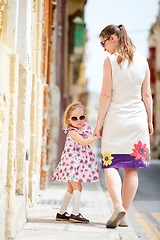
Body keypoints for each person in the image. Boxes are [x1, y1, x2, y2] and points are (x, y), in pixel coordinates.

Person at [94, 24, 153, 228]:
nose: (103, 48)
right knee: (132, 169)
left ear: (112, 38)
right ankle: (124, 215)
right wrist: (150, 120)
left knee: (111, 164)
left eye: (103, 43)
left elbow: (106, 95)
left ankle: (118, 206)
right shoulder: (142, 60)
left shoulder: (109, 61)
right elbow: (147, 95)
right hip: (138, 119)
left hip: (115, 120)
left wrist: (98, 123)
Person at [52, 102, 100, 223]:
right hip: (72, 164)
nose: (78, 120)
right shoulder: (73, 132)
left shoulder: (83, 129)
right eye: (74, 118)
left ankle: (61, 213)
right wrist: (97, 137)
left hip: (75, 164)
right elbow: (83, 142)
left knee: (71, 189)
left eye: (81, 117)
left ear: (85, 116)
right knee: (77, 187)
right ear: (69, 120)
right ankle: (75, 213)